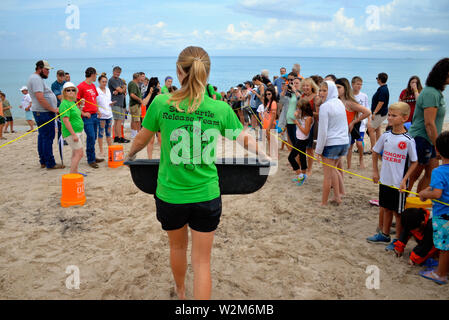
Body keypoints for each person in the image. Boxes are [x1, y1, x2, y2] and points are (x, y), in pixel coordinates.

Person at [125, 46, 266, 300]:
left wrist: (129, 155)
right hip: (206, 194)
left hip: (171, 195)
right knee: (202, 262)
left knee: (177, 248)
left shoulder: (160, 103)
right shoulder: (219, 109)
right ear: (207, 74)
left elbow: (141, 140)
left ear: (179, 71)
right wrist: (264, 156)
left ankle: (180, 293)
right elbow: (244, 138)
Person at [367, 102, 418, 251]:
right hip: (385, 180)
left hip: (399, 184)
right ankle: (384, 234)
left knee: (398, 212)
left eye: (393, 115)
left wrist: (404, 180)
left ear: (404, 118)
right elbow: (375, 151)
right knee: (386, 208)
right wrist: (375, 171)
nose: (389, 118)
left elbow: (414, 162)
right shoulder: (386, 135)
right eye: (389, 115)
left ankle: (398, 240)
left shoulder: (408, 140)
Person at [408, 58, 449, 193]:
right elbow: (429, 123)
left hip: (429, 139)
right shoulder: (431, 93)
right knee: (413, 175)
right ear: (444, 74)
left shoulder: (436, 92)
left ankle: (419, 204)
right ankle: (401, 204)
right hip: (422, 138)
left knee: (431, 173)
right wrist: (438, 145)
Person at [418, 131, 449, 285]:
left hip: (444, 215)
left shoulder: (439, 171)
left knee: (444, 247)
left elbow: (436, 193)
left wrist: (424, 193)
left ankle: (441, 274)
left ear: (437, 150)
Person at [315, 81, 349, 206]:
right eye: (320, 90)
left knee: (327, 176)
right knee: (334, 170)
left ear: (331, 91)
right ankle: (338, 196)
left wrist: (318, 151)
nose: (321, 93)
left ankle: (323, 203)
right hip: (343, 142)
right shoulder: (339, 102)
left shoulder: (325, 106)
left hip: (332, 144)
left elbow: (322, 132)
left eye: (325, 90)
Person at [27, 60, 64, 169]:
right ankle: (49, 162)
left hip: (40, 112)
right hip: (43, 112)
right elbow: (40, 98)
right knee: (47, 137)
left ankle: (43, 160)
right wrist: (53, 109)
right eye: (46, 69)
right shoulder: (36, 79)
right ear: (40, 68)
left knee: (43, 136)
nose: (48, 72)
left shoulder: (36, 78)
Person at [335, 78, 371, 170]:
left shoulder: (349, 102)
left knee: (336, 162)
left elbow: (367, 112)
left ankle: (360, 160)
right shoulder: (335, 100)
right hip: (336, 133)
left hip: (346, 133)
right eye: (335, 87)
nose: (336, 90)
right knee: (337, 164)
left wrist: (353, 122)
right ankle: (347, 169)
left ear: (345, 88)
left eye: (338, 87)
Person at [77, 67, 104, 169]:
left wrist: (98, 110)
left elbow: (94, 99)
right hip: (87, 116)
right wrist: (83, 113)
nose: (96, 76)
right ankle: (91, 160)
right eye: (95, 75)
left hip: (94, 115)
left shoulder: (93, 86)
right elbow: (76, 102)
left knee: (94, 138)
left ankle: (93, 156)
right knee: (91, 136)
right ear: (92, 74)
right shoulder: (81, 86)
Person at [59, 82, 84, 174]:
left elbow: (77, 115)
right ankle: (72, 174)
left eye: (73, 90)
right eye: (68, 90)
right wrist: (73, 134)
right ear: (64, 92)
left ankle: (75, 172)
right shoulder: (64, 104)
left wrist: (81, 106)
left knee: (75, 153)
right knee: (79, 153)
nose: (71, 92)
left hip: (78, 131)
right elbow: (65, 120)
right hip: (72, 133)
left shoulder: (72, 102)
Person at [288, 99, 314, 186]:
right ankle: (303, 175)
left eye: (299, 109)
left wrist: (297, 123)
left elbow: (306, 132)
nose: (297, 110)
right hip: (300, 138)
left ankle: (300, 175)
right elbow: (296, 118)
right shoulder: (302, 116)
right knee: (302, 157)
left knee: (291, 158)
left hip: (302, 140)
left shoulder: (308, 118)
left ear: (304, 109)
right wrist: (296, 116)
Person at [300, 78, 320, 175]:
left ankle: (310, 169)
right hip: (303, 123)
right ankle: (303, 167)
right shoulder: (302, 96)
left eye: (307, 85)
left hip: (312, 125)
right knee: (302, 147)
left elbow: (319, 114)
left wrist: (308, 113)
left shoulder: (315, 97)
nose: (305, 87)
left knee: (309, 148)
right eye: (303, 85)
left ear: (312, 86)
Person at [367, 72, 390, 151]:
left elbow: (381, 102)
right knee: (377, 129)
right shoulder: (383, 88)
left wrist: (374, 113)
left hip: (379, 113)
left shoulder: (383, 90)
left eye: (377, 78)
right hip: (382, 112)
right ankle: (379, 146)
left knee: (370, 129)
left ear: (379, 80)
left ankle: (373, 148)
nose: (377, 80)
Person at [351, 76, 370, 168]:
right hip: (350, 123)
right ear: (352, 84)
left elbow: (367, 109)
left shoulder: (364, 96)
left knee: (359, 143)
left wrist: (368, 121)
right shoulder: (349, 95)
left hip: (361, 123)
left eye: (361, 84)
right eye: (358, 84)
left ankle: (361, 159)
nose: (360, 86)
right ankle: (349, 164)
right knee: (349, 145)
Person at [108, 66, 129, 143]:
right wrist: (120, 90)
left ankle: (117, 137)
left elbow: (124, 90)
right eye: (116, 72)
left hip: (121, 102)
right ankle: (120, 137)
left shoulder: (120, 80)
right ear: (113, 72)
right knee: (118, 120)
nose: (118, 74)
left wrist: (121, 90)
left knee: (118, 120)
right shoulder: (112, 80)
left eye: (119, 72)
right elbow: (121, 89)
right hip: (115, 102)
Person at [96, 73, 114, 158]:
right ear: (99, 81)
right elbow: (95, 103)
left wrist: (111, 103)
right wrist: (98, 111)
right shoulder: (97, 90)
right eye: (103, 82)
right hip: (101, 115)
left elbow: (108, 101)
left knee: (109, 133)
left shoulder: (108, 89)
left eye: (105, 82)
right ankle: (101, 151)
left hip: (109, 114)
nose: (104, 83)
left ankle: (110, 149)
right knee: (100, 133)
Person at [128, 72, 147, 139]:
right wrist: (140, 100)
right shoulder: (133, 84)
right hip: (135, 104)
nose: (141, 78)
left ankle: (134, 133)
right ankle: (137, 133)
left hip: (134, 104)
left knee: (134, 119)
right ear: (137, 78)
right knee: (137, 120)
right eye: (140, 77)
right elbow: (132, 94)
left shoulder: (133, 83)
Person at [261, 86, 278, 155]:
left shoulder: (273, 102)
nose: (267, 95)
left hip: (270, 123)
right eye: (266, 94)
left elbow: (273, 115)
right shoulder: (269, 102)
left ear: (272, 94)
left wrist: (269, 126)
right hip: (266, 123)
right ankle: (271, 153)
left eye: (269, 94)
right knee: (269, 139)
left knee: (272, 139)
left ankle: (274, 154)